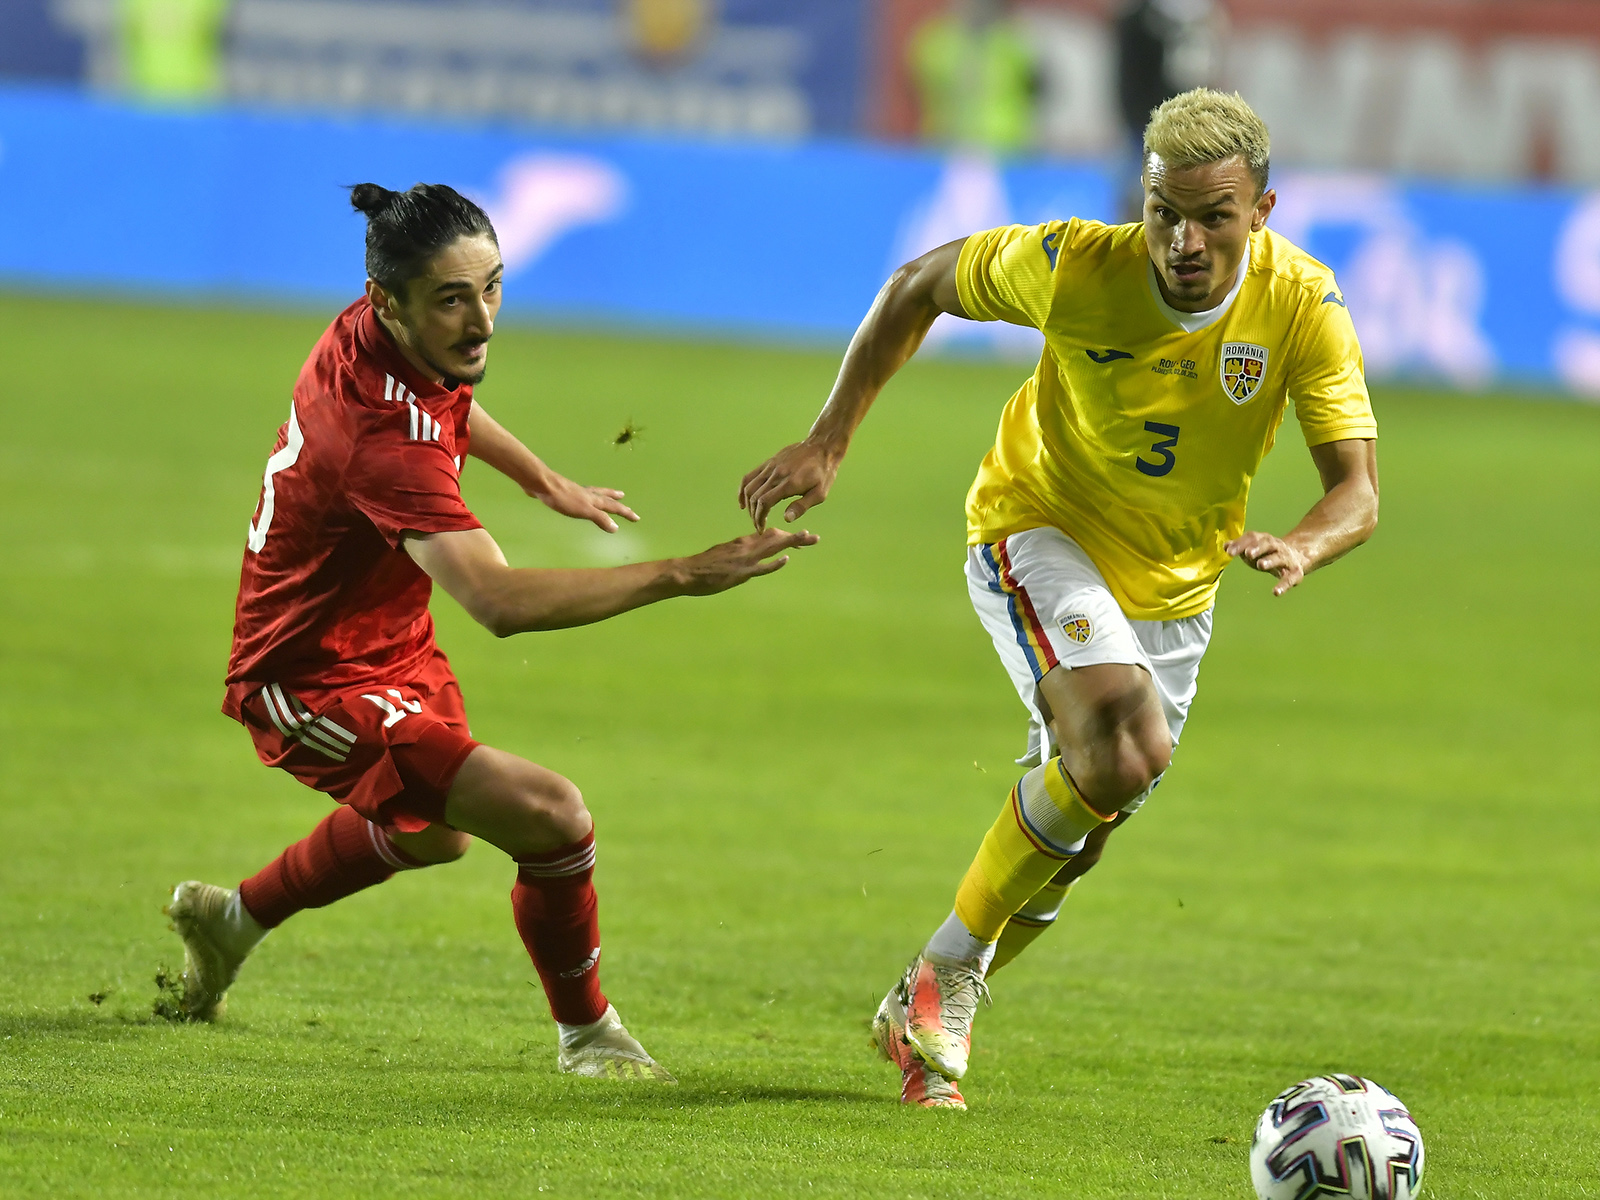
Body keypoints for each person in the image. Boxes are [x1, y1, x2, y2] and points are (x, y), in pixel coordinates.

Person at [739, 88, 1378, 1110]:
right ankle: (947, 978)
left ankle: (928, 994)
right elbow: (915, 285)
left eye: (1213, 216)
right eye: (1165, 212)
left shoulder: (1302, 303)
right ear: (1142, 199)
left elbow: (1357, 492)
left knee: (1082, 830)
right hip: (1038, 527)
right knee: (1123, 740)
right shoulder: (1076, 263)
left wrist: (1302, 543)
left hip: (1178, 584)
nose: (1184, 240)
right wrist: (828, 438)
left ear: (1261, 209)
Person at [166, 182, 815, 1081]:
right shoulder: (382, 438)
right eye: (453, 300)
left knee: (436, 833)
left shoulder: (376, 332)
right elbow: (499, 602)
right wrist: (683, 574)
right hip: (308, 676)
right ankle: (590, 1036)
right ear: (388, 300)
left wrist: (543, 479)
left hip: (387, 640)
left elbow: (452, 402)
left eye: (493, 287)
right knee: (551, 814)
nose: (481, 322)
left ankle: (229, 922)